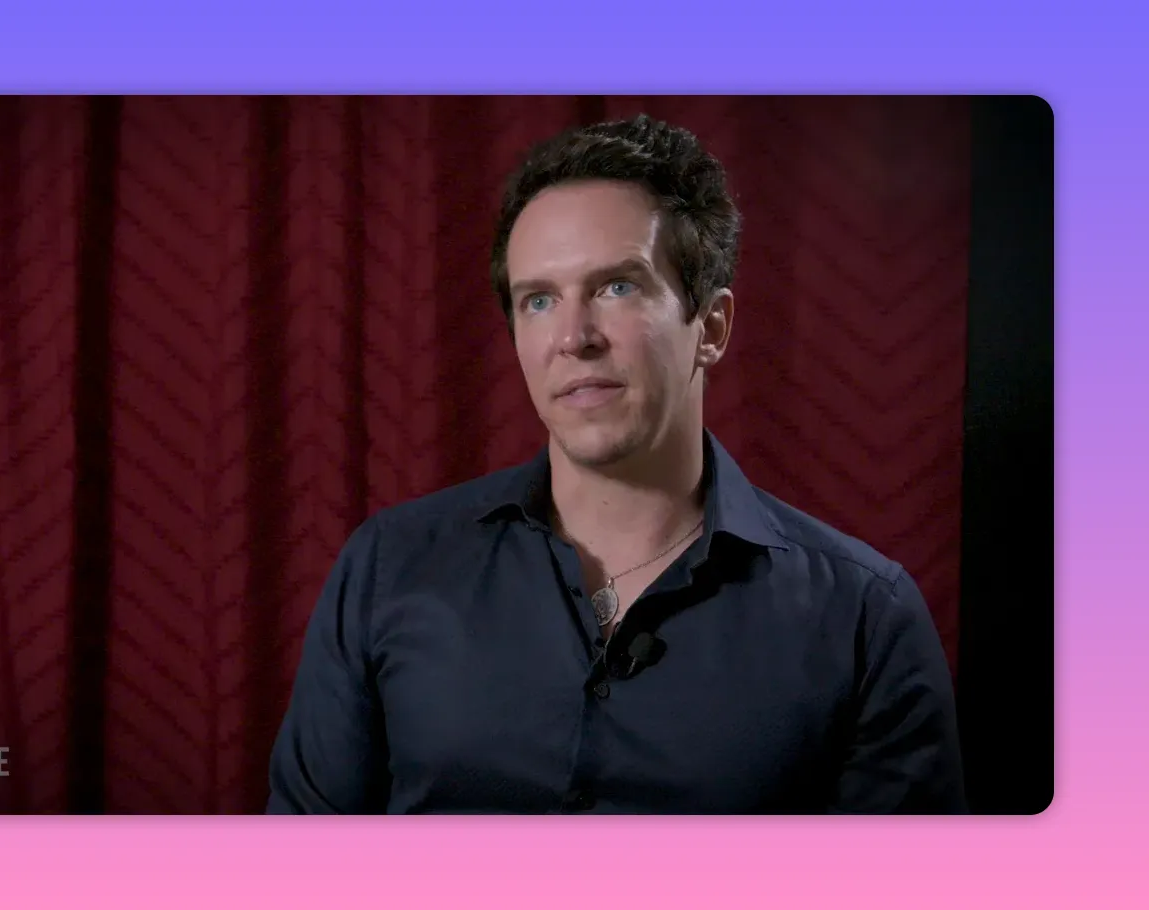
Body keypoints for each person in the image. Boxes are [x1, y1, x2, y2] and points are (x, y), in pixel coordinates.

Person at [266, 114, 967, 814]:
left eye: (617, 288)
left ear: (712, 328)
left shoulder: (864, 617)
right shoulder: (389, 567)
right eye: (538, 300)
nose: (574, 337)